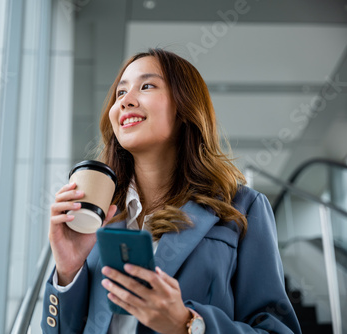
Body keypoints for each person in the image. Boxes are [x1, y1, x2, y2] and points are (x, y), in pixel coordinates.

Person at [42, 48, 301, 334]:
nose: (125, 101)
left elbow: (278, 329)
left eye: (147, 86)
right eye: (120, 93)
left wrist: (187, 324)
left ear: (183, 107)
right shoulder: (97, 215)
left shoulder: (242, 207)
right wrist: (68, 273)